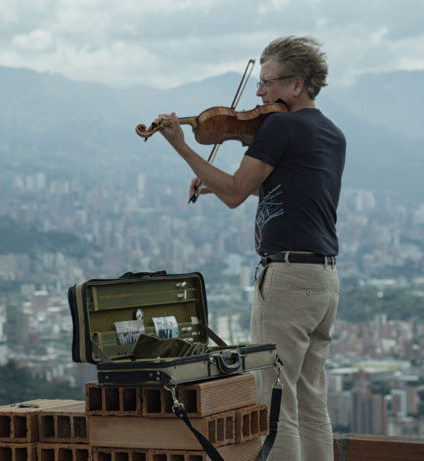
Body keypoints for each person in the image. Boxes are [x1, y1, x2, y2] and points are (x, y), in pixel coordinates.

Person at [156, 35, 345, 461]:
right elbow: (288, 191)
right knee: (312, 400)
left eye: (267, 82)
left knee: (276, 403)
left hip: (288, 279)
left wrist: (182, 146)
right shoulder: (331, 133)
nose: (258, 93)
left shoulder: (279, 126)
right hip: (324, 278)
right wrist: (212, 182)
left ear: (296, 85)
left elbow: (236, 192)